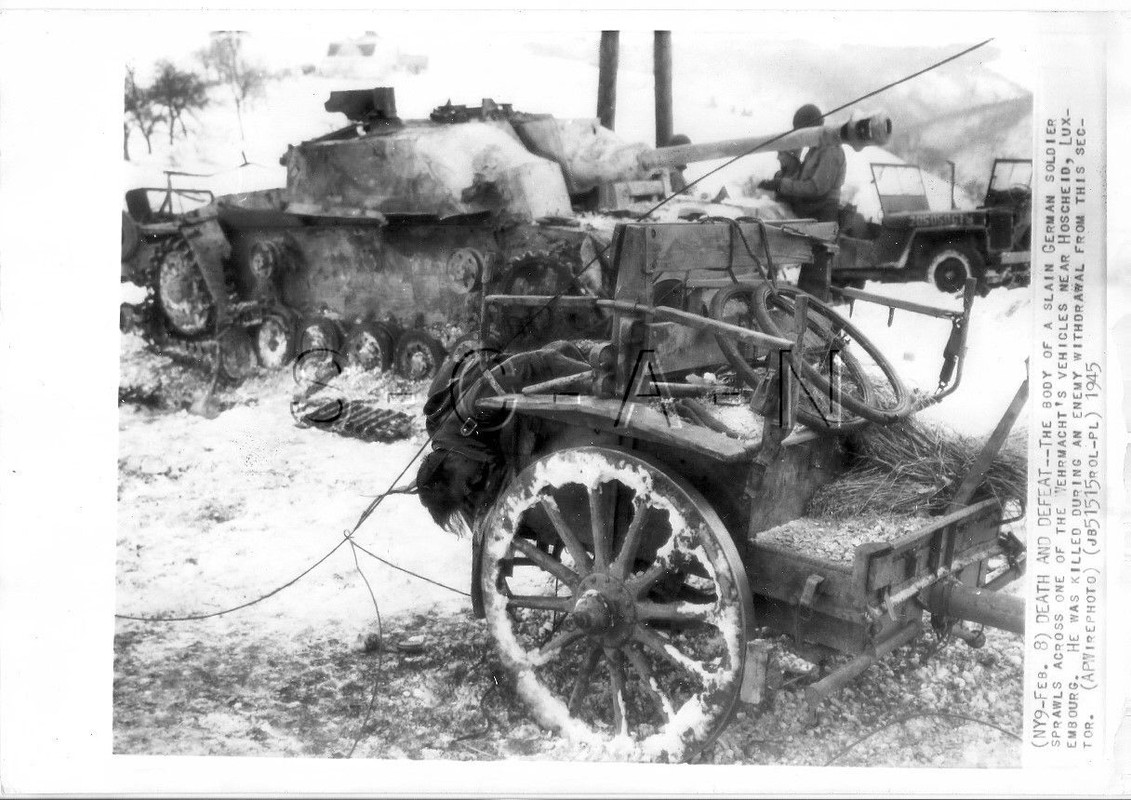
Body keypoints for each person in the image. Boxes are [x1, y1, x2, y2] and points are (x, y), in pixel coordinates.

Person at [758, 104, 846, 222]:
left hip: (822, 216)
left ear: (811, 128)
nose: (801, 137)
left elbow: (816, 188)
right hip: (808, 211)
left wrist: (781, 185)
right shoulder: (814, 150)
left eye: (802, 132)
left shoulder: (831, 149)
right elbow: (802, 180)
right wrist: (779, 178)